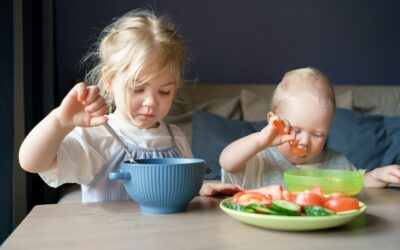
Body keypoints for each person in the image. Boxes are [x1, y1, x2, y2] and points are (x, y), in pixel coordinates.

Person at [19, 9, 242, 202]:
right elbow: (32, 162)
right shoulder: (96, 137)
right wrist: (59, 122)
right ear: (109, 80)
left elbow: (180, 191)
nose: (151, 101)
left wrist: (201, 188)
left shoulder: (176, 137)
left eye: (164, 91)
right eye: (138, 88)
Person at [219, 67, 400, 189]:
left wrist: (377, 175)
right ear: (273, 122)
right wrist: (260, 140)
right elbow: (227, 162)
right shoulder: (260, 158)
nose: (305, 142)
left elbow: (358, 181)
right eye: (296, 130)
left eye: (317, 134)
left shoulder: (335, 162)